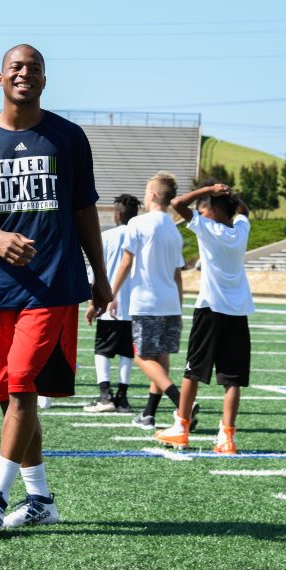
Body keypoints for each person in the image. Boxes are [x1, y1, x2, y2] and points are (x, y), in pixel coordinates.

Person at [0, 44, 111, 536]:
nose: (25, 73)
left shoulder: (68, 137)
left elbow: (84, 211)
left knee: (21, 389)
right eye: (16, 67)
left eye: (34, 68)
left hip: (53, 285)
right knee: (11, 397)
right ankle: (40, 498)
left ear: (44, 79)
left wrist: (99, 275)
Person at [156, 181, 254, 453]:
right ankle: (227, 437)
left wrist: (209, 188)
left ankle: (181, 427)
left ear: (213, 210)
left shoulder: (207, 228)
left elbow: (176, 204)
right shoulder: (241, 230)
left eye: (205, 207)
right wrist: (230, 195)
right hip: (237, 312)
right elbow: (244, 211)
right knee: (233, 379)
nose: (201, 210)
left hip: (210, 308)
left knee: (193, 370)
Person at [104, 173, 190, 431]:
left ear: (152, 195)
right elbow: (177, 276)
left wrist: (111, 295)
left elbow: (126, 262)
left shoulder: (139, 223)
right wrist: (180, 306)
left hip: (147, 301)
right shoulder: (175, 231)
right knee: (160, 358)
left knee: (142, 357)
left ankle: (180, 402)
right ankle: (149, 414)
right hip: (170, 303)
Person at [83, 193, 140, 414]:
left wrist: (91, 303)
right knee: (127, 351)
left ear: (117, 214)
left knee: (102, 350)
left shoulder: (106, 237)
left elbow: (96, 272)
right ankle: (122, 398)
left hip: (109, 304)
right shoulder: (140, 236)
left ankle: (105, 395)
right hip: (134, 304)